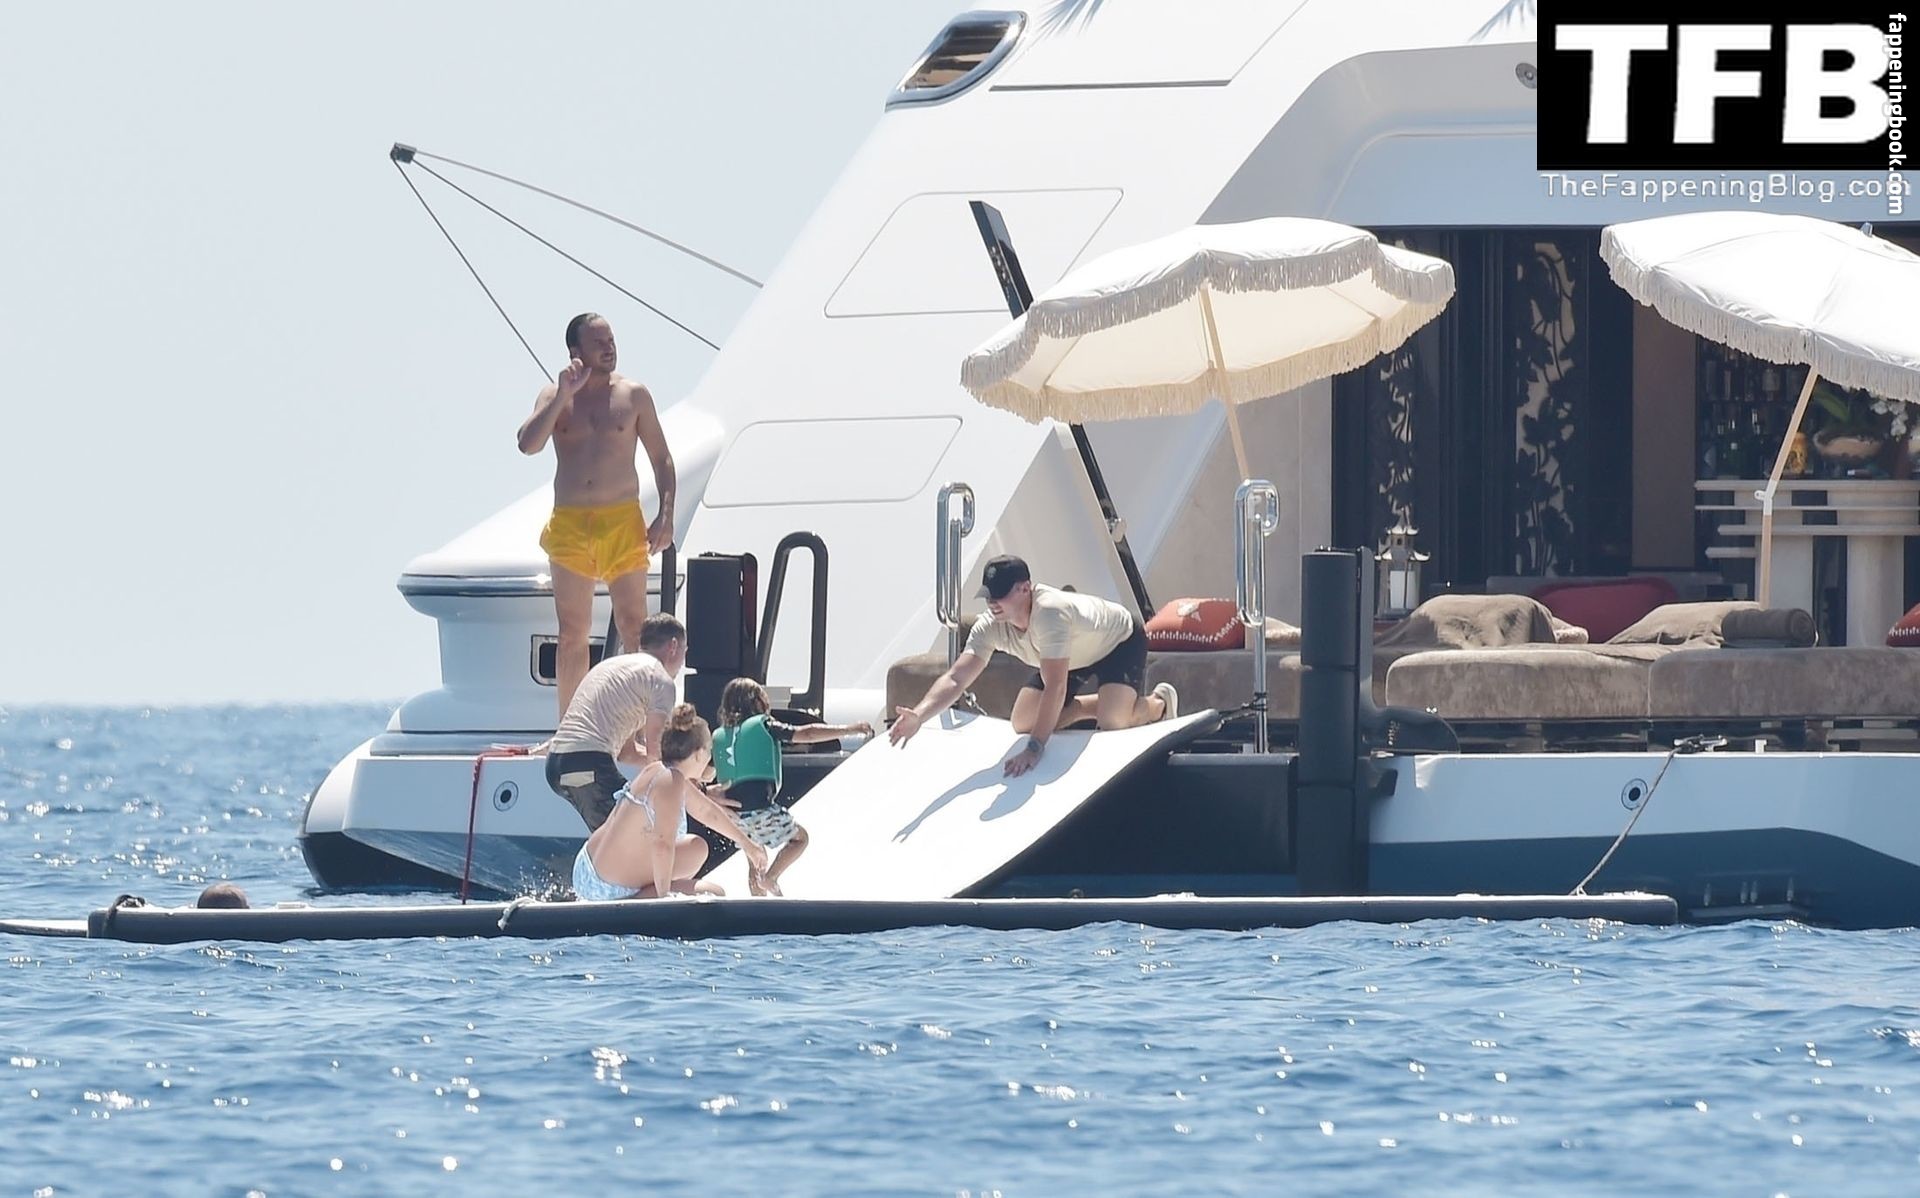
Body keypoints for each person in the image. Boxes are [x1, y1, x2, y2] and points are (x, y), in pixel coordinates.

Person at [517, 312, 677, 720]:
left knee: (634, 626)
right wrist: (562, 395)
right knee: (572, 632)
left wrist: (666, 515)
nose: (609, 349)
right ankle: (570, 729)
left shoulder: (633, 395)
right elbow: (528, 444)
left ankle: (641, 730)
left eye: (611, 340)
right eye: (598, 343)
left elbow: (661, 458)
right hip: (570, 523)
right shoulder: (554, 395)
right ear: (575, 351)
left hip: (621, 521)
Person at [888, 555, 1177, 777]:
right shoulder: (990, 626)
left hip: (1118, 642)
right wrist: (919, 715)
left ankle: (1159, 703)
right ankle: (1094, 707)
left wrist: (1035, 748)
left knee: (1114, 723)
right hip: (1068, 655)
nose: (993, 603)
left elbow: (1056, 686)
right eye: (989, 595)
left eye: (1001, 594)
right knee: (1023, 722)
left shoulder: (1049, 613)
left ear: (1025, 589)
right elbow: (956, 678)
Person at [572, 705, 768, 901]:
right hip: (607, 887)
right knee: (714, 893)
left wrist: (748, 844)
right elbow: (662, 845)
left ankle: (645, 891)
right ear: (699, 754)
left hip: (586, 868)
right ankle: (640, 899)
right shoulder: (670, 783)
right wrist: (665, 899)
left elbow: (706, 811)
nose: (710, 757)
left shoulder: (659, 771)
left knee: (697, 849)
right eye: (709, 750)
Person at [711, 678, 874, 896]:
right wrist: (849, 729)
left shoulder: (721, 735)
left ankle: (756, 900)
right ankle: (771, 878)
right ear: (757, 701)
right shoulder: (764, 725)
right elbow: (807, 733)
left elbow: (707, 772)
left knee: (755, 858)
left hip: (733, 817)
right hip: (760, 808)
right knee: (799, 839)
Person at [545, 612, 704, 831]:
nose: (682, 662)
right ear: (673, 646)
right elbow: (656, 758)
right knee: (637, 835)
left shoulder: (614, 667)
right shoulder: (660, 680)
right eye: (685, 652)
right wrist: (696, 788)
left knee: (613, 839)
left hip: (557, 765)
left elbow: (627, 754)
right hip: (588, 764)